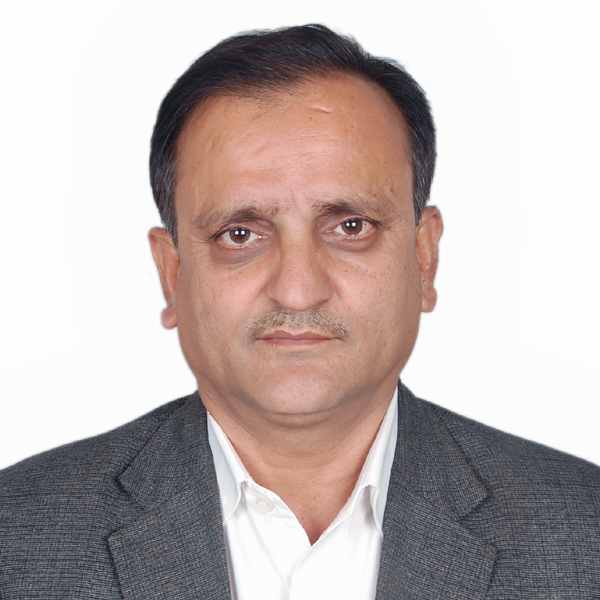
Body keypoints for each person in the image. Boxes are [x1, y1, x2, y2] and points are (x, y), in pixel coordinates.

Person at [0, 23, 598, 599]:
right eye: (239, 235)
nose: (297, 290)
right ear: (171, 273)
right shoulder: (18, 539)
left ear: (424, 257)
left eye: (351, 226)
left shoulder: (583, 534)